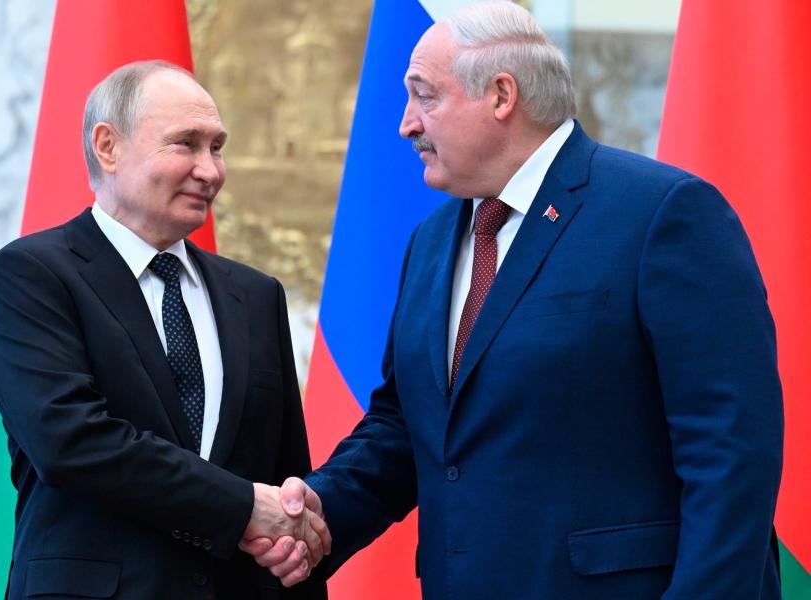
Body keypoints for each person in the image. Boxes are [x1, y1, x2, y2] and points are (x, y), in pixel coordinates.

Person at [247, 2, 784, 598]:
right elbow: (408, 425)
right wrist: (317, 512)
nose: (406, 124)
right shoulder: (431, 242)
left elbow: (730, 453)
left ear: (502, 95)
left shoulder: (662, 214)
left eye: (424, 96)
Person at [0, 60, 329, 599]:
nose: (210, 170)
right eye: (185, 144)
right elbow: (70, 441)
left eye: (217, 147)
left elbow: (285, 481)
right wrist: (240, 508)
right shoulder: (33, 275)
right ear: (108, 147)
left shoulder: (256, 296)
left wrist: (291, 542)